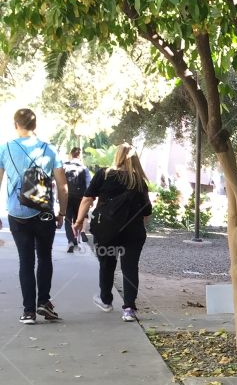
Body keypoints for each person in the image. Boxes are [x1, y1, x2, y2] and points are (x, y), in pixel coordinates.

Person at [0, 108, 68, 324]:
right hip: (44, 212)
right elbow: (62, 186)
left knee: (26, 261)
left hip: (17, 212)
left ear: (15, 125)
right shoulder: (50, 149)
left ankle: (28, 311)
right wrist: (62, 213)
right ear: (35, 125)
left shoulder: (5, 149)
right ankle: (43, 302)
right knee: (45, 257)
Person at [74, 143, 152, 322]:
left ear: (117, 156)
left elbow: (87, 199)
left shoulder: (104, 174)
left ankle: (106, 300)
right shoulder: (139, 180)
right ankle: (129, 309)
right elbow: (147, 213)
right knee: (130, 268)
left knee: (107, 264)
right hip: (133, 232)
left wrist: (79, 221)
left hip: (106, 230)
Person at [62, 147, 90, 252]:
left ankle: (70, 241)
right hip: (80, 198)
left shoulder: (64, 166)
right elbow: (89, 185)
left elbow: (60, 184)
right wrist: (89, 200)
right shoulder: (84, 168)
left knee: (68, 219)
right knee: (78, 219)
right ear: (79, 156)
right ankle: (77, 240)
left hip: (67, 197)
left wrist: (58, 198)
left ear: (71, 154)